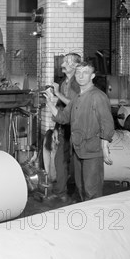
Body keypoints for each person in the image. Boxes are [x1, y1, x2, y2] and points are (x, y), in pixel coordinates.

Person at [44, 61, 114, 202]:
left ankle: (95, 218)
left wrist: (105, 147)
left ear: (92, 76)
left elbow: (107, 122)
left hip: (92, 151)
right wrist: (50, 103)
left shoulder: (97, 96)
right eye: (78, 72)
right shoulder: (77, 97)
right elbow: (63, 118)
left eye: (85, 73)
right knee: (81, 188)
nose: (81, 76)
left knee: (91, 190)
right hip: (77, 149)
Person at [48, 53, 81, 203]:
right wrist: (56, 128)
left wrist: (57, 94)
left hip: (77, 127)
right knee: (59, 159)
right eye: (64, 61)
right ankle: (60, 191)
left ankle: (78, 195)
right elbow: (61, 106)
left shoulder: (78, 83)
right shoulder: (63, 83)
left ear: (75, 65)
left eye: (67, 61)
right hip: (64, 127)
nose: (63, 63)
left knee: (76, 163)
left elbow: (74, 105)